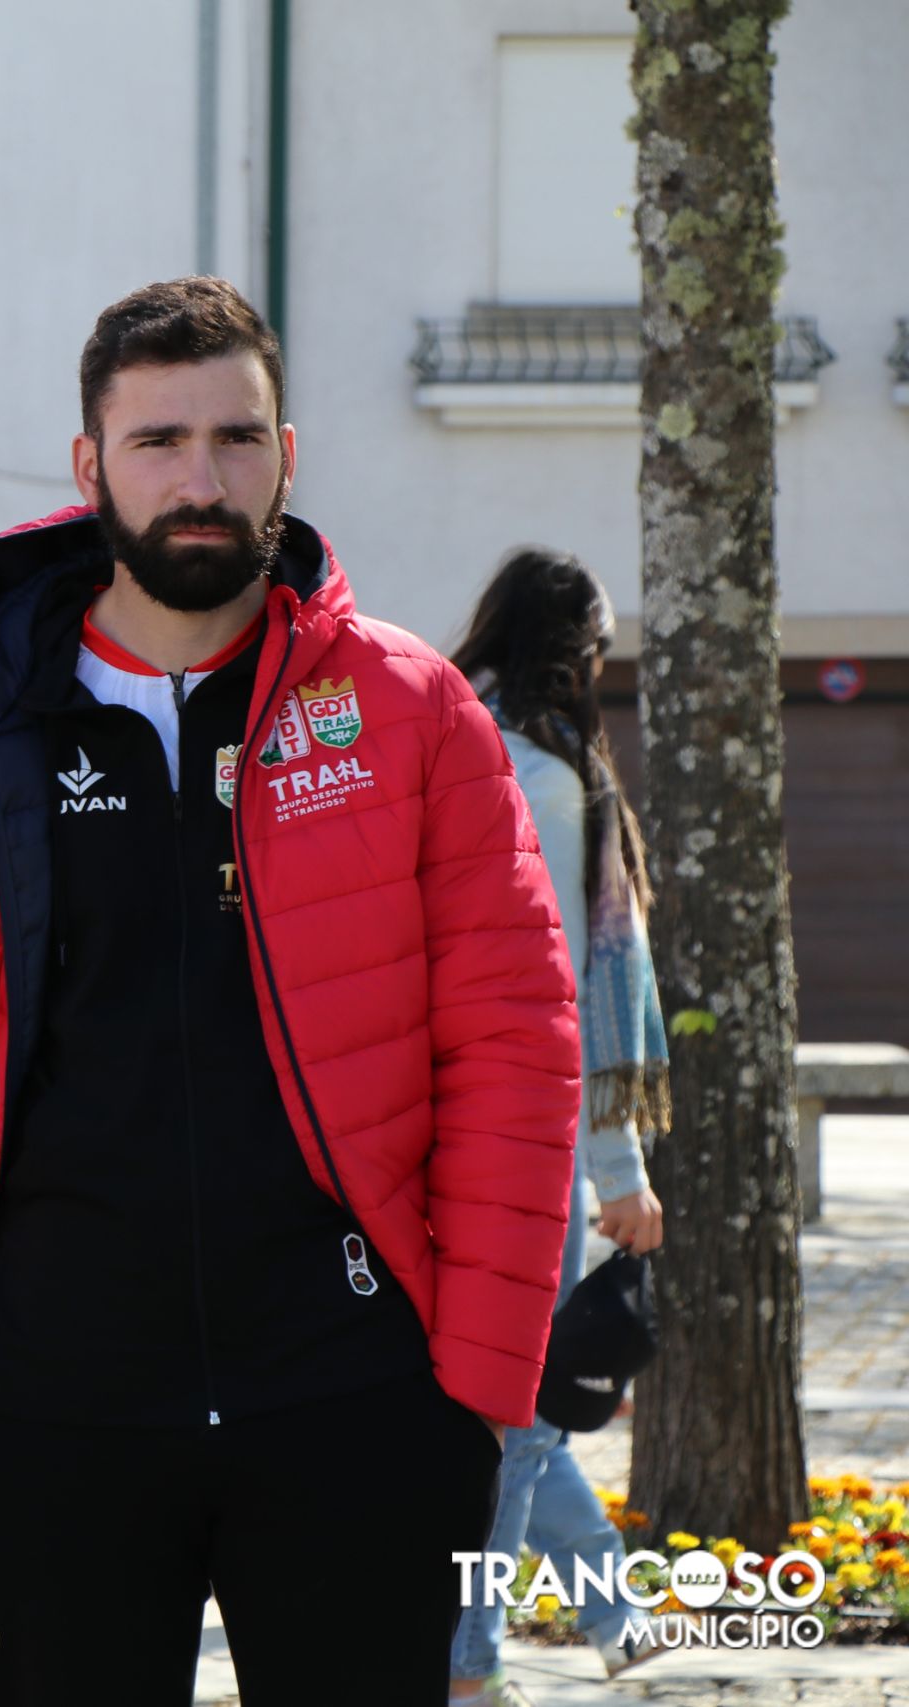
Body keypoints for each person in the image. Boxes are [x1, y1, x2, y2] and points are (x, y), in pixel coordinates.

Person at [0, 276, 581, 1705]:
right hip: (47, 1402)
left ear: (288, 455)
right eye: (158, 441)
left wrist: (475, 1383)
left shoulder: (408, 710)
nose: (201, 480)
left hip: (356, 1396)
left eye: (236, 437)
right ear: (89, 464)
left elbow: (514, 1048)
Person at [446, 549, 671, 1706]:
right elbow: (565, 985)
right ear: (574, 650)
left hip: (427, 1131)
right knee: (517, 1421)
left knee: (515, 1411)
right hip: (518, 1147)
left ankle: (616, 1619)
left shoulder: (444, 737)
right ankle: (467, 1666)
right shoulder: (541, 773)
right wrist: (618, 1166)